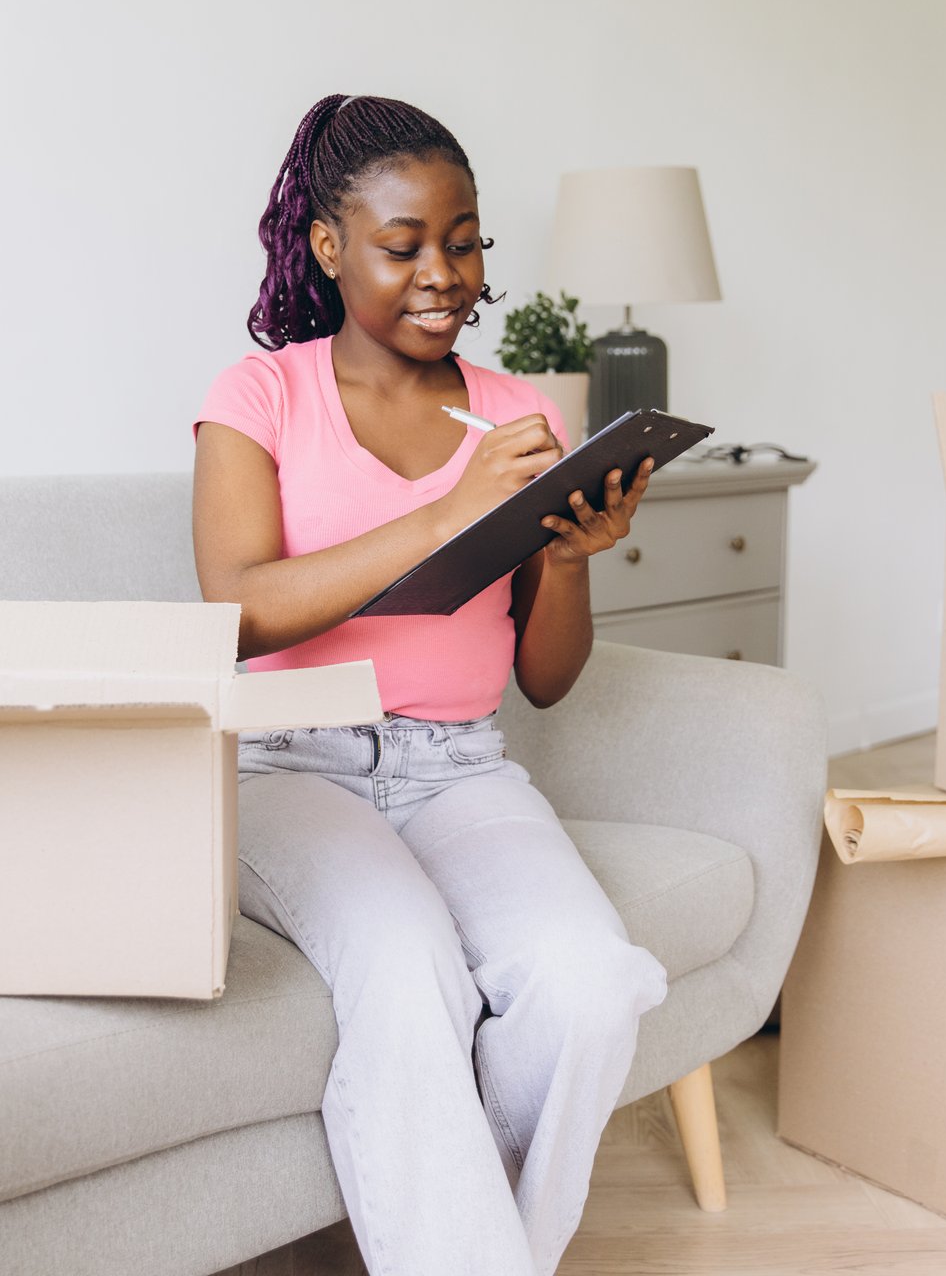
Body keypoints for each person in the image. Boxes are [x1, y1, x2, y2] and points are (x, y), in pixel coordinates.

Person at [189, 93, 671, 1276]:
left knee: (592, 986)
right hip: (289, 763)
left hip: (459, 766)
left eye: (463, 241)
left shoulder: (518, 411)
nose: (442, 273)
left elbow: (548, 681)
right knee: (409, 978)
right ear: (329, 244)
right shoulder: (264, 398)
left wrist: (561, 557)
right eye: (404, 245)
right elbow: (236, 610)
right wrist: (447, 511)